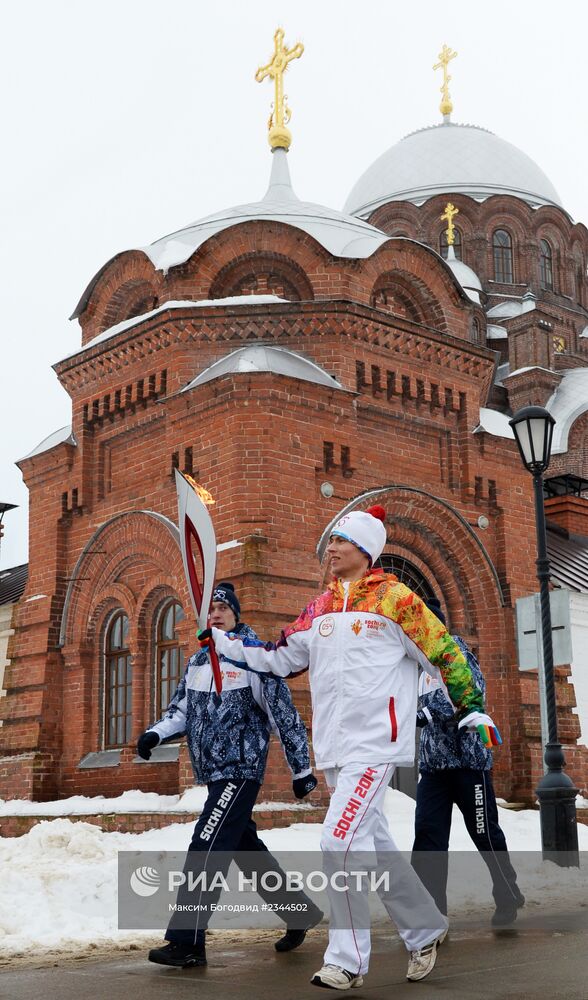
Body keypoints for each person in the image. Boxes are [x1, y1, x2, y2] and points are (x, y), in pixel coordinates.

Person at [202, 508, 501, 989]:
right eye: (330, 542)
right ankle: (424, 927)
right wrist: (224, 643)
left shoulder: (395, 600)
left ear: (365, 550)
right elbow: (276, 658)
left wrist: (471, 707)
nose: (332, 549)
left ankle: (348, 959)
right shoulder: (318, 609)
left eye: (341, 540)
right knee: (375, 846)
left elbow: (444, 652)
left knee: (337, 842)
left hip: (376, 745)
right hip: (336, 750)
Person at [138, 581, 323, 969]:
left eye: (223, 608)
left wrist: (302, 769)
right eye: (212, 609)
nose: (217, 614)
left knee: (205, 843)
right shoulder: (199, 662)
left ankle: (187, 941)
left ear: (236, 614)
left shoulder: (253, 657)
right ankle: (298, 912)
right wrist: (155, 733)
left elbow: (283, 717)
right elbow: (182, 710)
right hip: (214, 772)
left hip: (242, 768)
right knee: (243, 848)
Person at [411, 598, 525, 927]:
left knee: (483, 831)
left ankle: (507, 893)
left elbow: (472, 692)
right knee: (428, 836)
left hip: (467, 764)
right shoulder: (416, 665)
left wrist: (427, 712)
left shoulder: (457, 651)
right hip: (433, 767)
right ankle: (432, 914)